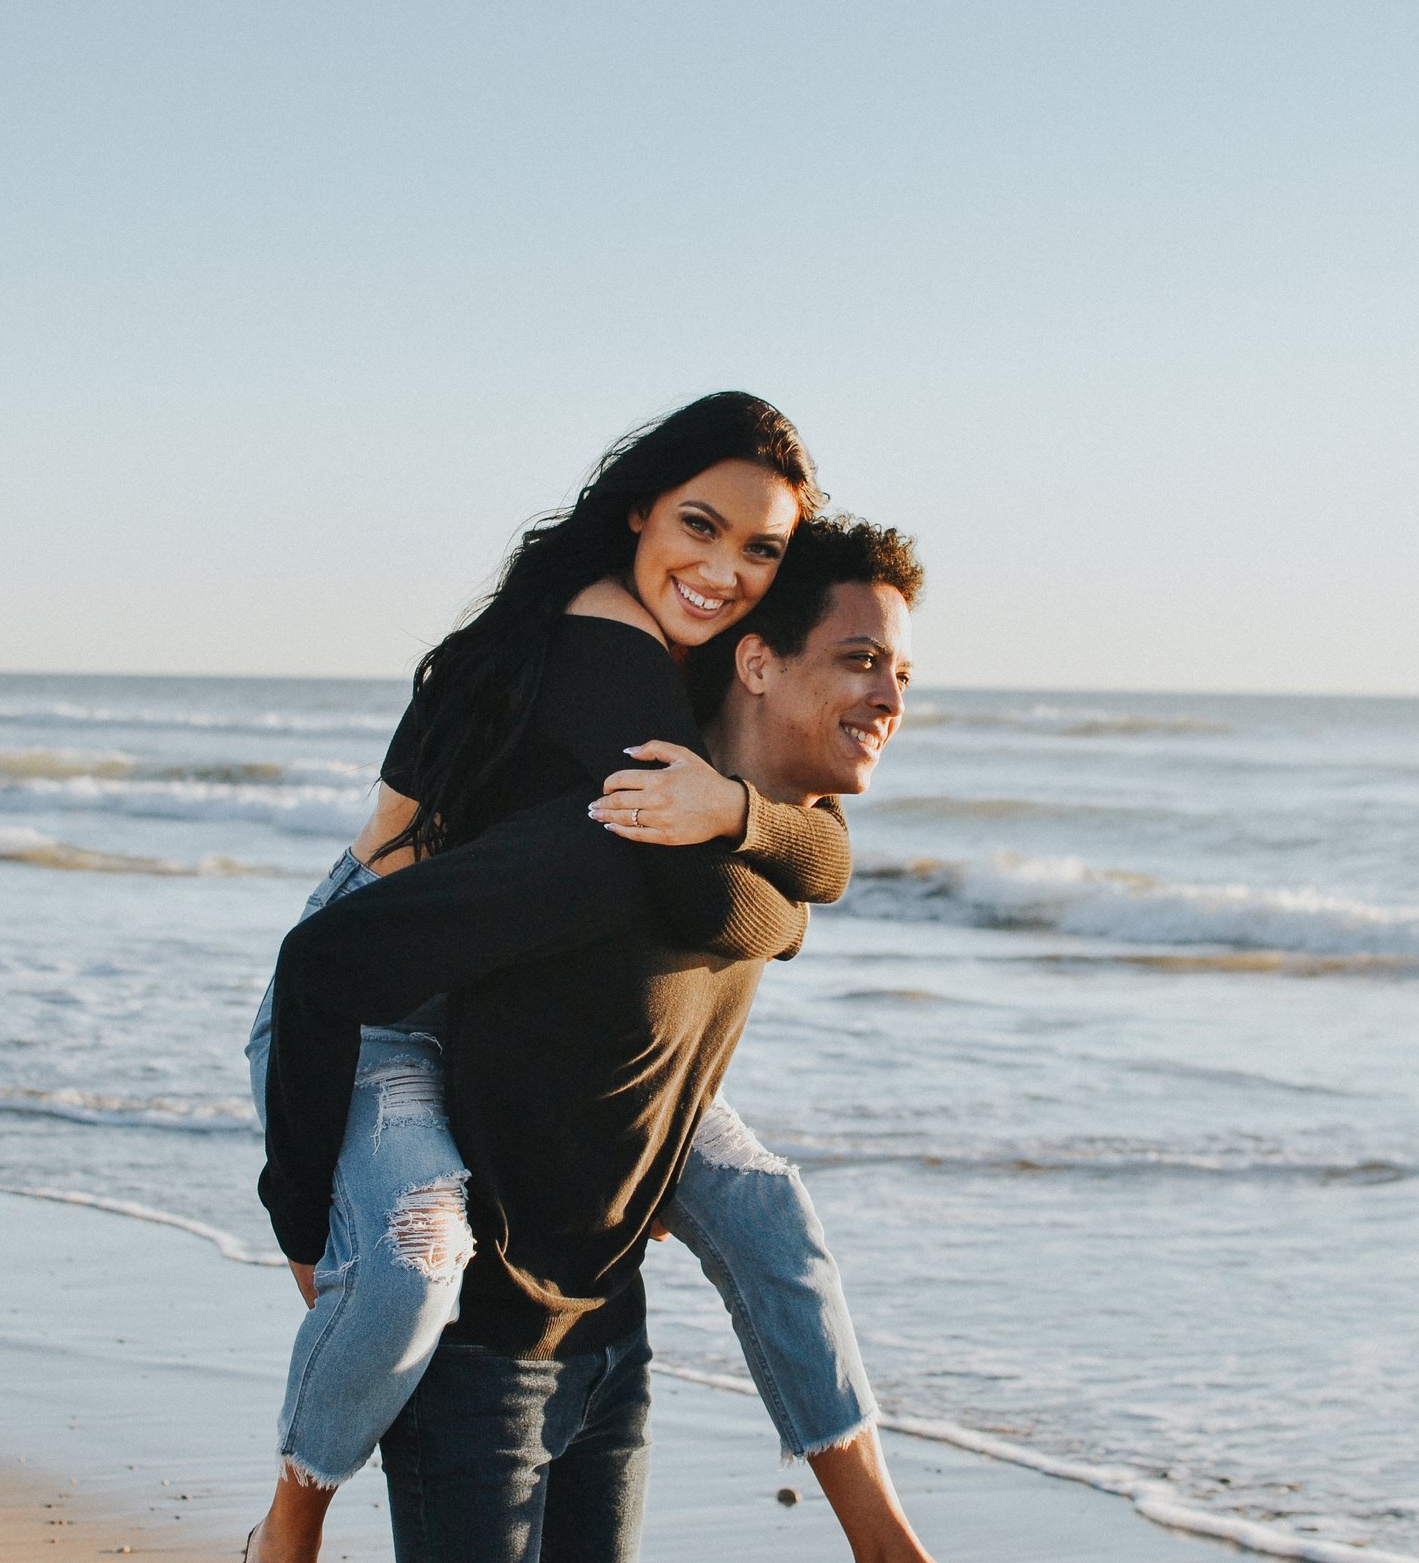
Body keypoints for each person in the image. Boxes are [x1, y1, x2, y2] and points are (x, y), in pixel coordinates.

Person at [262, 513, 926, 1561]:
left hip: (609, 1339)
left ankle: (886, 1540)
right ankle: (289, 1515)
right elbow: (324, 967)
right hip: (478, 1356)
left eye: (900, 670)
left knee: (763, 1203)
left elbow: (810, 876)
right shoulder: (607, 837)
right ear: (754, 660)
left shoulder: (779, 844)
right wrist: (302, 1224)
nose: (892, 698)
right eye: (859, 661)